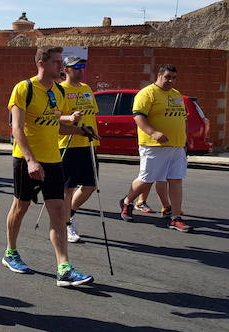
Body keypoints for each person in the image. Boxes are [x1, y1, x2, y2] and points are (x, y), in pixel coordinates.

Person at [2, 46, 95, 287]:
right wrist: (31, 160)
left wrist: (80, 130)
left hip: (54, 160)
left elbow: (56, 125)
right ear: (41, 63)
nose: (60, 67)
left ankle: (64, 267)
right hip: (26, 159)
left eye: (61, 62)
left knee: (57, 211)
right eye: (56, 62)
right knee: (21, 206)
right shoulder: (24, 89)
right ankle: (10, 252)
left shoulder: (57, 92)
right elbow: (17, 129)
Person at [119, 64, 192, 232]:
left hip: (176, 146)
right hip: (153, 145)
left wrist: (185, 141)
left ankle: (175, 218)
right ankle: (127, 202)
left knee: (176, 179)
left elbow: (182, 119)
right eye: (167, 77)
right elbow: (138, 117)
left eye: (173, 78)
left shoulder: (176, 95)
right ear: (159, 75)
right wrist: (154, 133)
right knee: (146, 179)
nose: (170, 80)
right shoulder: (147, 93)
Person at [57, 56, 101, 243]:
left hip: (88, 144)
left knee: (91, 186)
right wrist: (70, 117)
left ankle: (70, 212)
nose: (81, 70)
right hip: (68, 144)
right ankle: (67, 224)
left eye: (82, 66)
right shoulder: (60, 90)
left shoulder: (86, 89)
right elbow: (54, 117)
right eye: (76, 67)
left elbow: (92, 115)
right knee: (68, 188)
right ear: (66, 70)